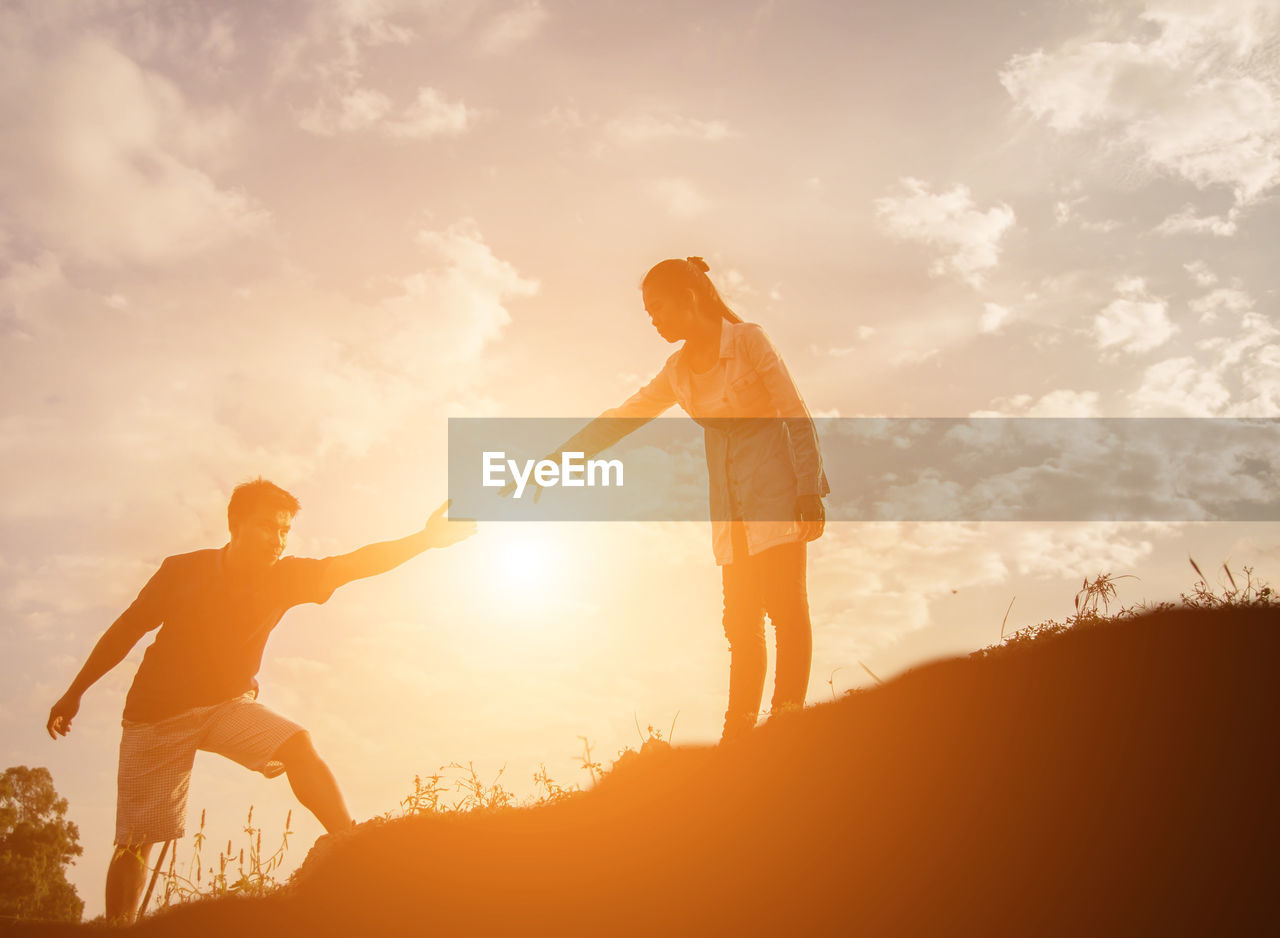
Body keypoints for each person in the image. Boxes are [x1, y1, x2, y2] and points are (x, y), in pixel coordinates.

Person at [45, 479, 476, 923]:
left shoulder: (287, 577)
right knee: (138, 837)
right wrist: (75, 692)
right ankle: (120, 928)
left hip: (227, 704)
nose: (278, 539)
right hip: (156, 714)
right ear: (235, 525)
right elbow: (126, 630)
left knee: (298, 745)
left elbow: (356, 564)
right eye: (267, 527)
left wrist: (425, 540)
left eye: (285, 530)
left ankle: (351, 846)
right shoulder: (181, 572)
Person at [550, 257, 828, 743]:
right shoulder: (676, 372)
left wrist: (808, 488)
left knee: (785, 607)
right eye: (648, 312)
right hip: (728, 508)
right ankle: (737, 740)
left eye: (658, 308)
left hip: (777, 492)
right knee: (739, 625)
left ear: (690, 297)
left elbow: (794, 413)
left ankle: (787, 725)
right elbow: (624, 416)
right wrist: (558, 458)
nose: (653, 320)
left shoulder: (747, 342)